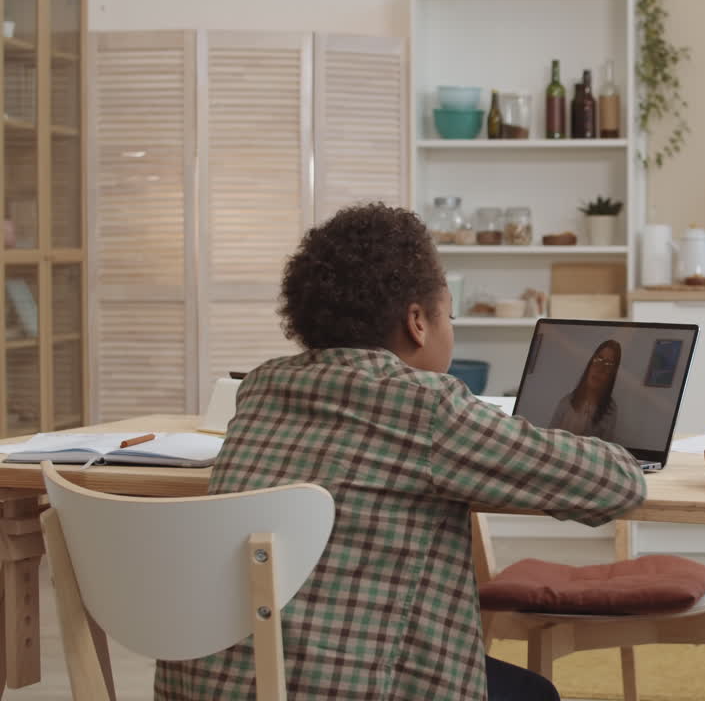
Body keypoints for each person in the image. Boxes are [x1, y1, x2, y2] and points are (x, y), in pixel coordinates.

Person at [154, 203, 647, 700]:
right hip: (349, 687)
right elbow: (616, 486)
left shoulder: (261, 388)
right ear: (417, 321)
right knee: (535, 694)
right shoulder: (426, 404)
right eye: (448, 316)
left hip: (219, 687)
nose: (451, 330)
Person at [548, 339, 621, 442]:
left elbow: (605, 450)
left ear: (612, 374)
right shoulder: (566, 401)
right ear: (590, 363)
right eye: (599, 359)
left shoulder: (611, 410)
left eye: (608, 365)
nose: (600, 369)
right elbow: (549, 439)